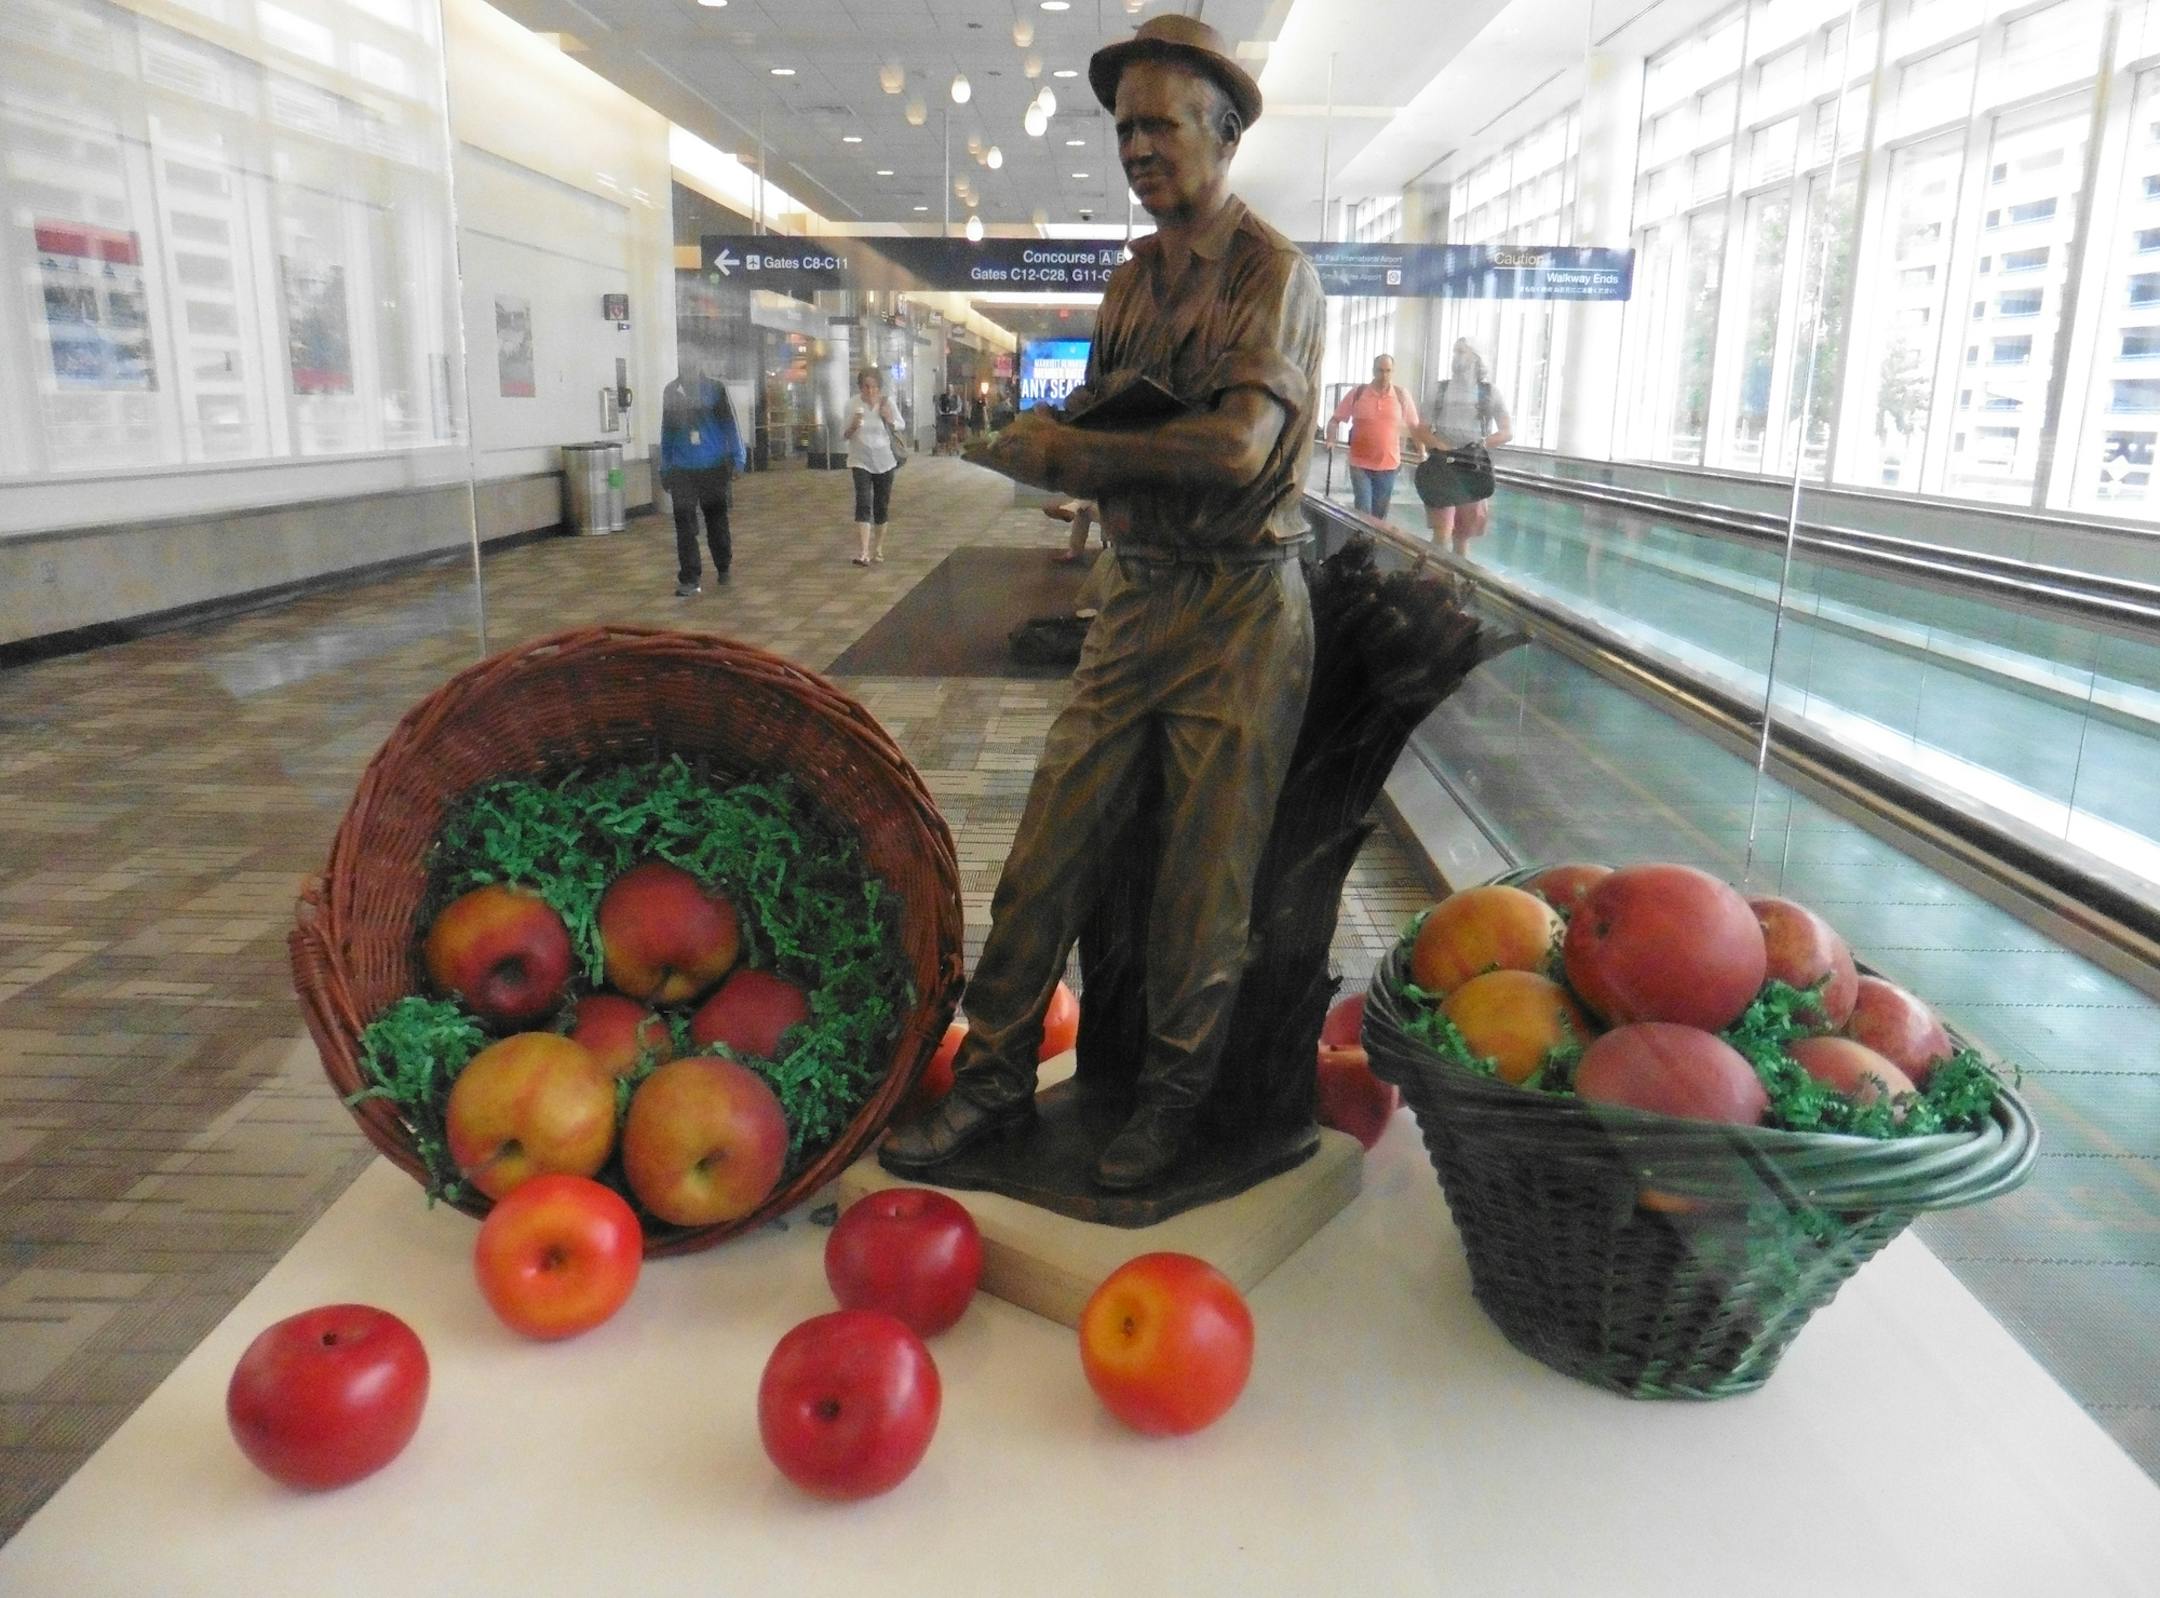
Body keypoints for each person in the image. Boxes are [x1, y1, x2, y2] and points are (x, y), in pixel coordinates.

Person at [884, 14, 1324, 1193]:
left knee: (1202, 879)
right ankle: (992, 1076)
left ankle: (1175, 1103)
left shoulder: (1270, 272)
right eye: (1124, 128)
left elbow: (1238, 448)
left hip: (1239, 611)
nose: (1136, 147)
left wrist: (1074, 457)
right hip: (1138, 596)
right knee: (1048, 844)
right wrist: (1054, 441)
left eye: (1159, 125)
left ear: (1223, 134)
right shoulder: (1132, 277)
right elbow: (1115, 415)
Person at [1410, 338, 1512, 556]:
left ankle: (1456, 573)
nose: (1456, 357)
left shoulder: (1489, 392)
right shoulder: (1439, 390)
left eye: (1461, 352)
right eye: (1455, 352)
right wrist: (1440, 445)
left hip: (1471, 467)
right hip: (1442, 464)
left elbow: (1507, 431)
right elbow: (1421, 429)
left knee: (1463, 535)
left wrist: (1481, 444)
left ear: (1475, 358)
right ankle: (1436, 573)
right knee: (1441, 531)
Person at [658, 359, 746, 597]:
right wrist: (665, 467)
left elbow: (730, 425)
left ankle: (723, 565)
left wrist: (738, 459)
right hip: (681, 469)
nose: (687, 368)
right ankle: (690, 578)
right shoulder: (671, 391)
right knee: (684, 525)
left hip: (713, 467)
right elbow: (667, 432)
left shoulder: (715, 389)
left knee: (716, 521)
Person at [1326, 353, 1420, 521]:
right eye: (1380, 370)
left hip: (1388, 465)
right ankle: (1361, 536)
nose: (1384, 375)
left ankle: (1371, 537)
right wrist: (1330, 440)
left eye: (1388, 371)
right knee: (1363, 510)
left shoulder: (1401, 395)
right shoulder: (1358, 393)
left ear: (1393, 372)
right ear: (1373, 371)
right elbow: (1335, 420)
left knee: (1379, 515)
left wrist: (1422, 452)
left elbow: (1414, 426)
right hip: (1360, 464)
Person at [842, 367, 905, 566]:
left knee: (881, 504)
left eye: (874, 387)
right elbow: (843, 434)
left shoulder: (887, 402)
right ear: (860, 387)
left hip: (885, 460)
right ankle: (863, 552)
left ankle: (878, 548)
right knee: (863, 502)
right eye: (866, 387)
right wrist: (853, 425)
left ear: (879, 388)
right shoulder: (852, 404)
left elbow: (900, 424)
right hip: (860, 460)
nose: (870, 391)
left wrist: (889, 418)